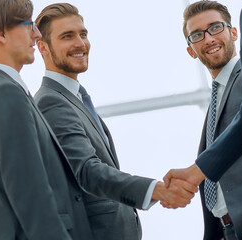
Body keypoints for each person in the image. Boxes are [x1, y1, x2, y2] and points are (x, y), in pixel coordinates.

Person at [33, 3, 197, 240]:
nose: (80, 43)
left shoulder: (73, 98)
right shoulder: (51, 101)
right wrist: (157, 190)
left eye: (83, 34)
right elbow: (87, 170)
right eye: (67, 36)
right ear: (42, 47)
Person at [163, 0, 242, 239]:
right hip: (230, 229)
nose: (209, 38)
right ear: (190, 49)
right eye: (198, 35)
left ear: (233, 32)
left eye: (215, 27)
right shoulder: (216, 98)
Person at [0, 0, 93, 239]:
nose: (36, 34)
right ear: (0, 33)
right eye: (28, 24)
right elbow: (30, 193)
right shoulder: (6, 93)